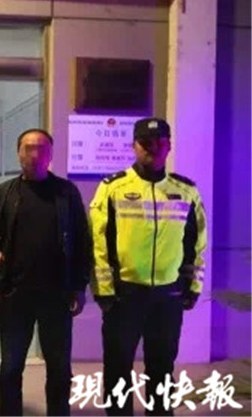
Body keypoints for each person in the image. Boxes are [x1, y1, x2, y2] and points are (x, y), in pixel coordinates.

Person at [89, 117, 207, 416]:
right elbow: (98, 242)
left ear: (169, 146)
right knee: (118, 368)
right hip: (124, 294)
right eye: (145, 143)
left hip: (167, 296)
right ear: (133, 146)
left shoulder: (186, 191)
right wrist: (104, 290)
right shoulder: (113, 188)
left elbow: (196, 243)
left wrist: (193, 286)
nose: (153, 148)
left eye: (160, 143)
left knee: (162, 368)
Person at [0, 128, 93, 416]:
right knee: (10, 368)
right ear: (18, 153)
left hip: (57, 295)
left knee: (59, 368)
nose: (34, 154)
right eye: (28, 148)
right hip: (14, 295)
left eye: (41, 148)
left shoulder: (66, 193)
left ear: (50, 154)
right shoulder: (3, 194)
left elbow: (82, 241)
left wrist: (79, 286)